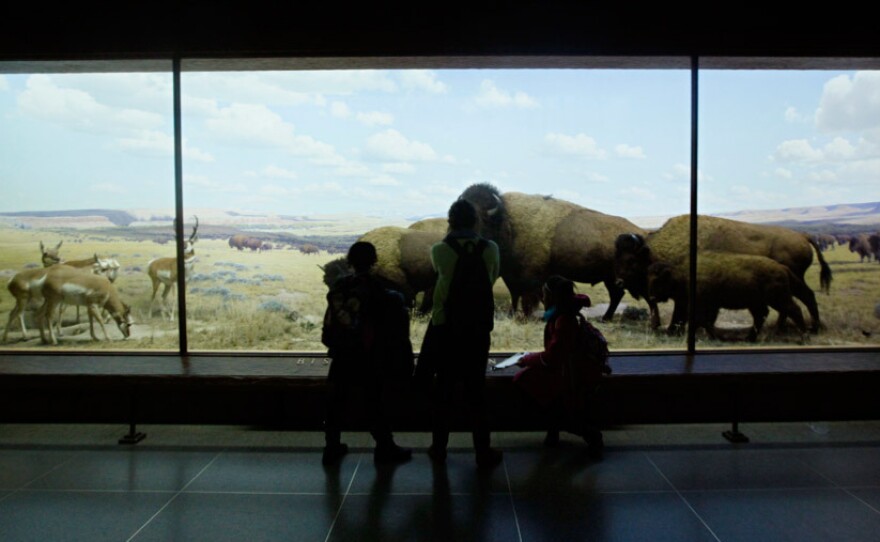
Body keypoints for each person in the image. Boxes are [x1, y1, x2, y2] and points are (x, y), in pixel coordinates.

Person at [422, 198, 503, 468]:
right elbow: (492, 277)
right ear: (476, 221)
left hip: (445, 328)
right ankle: (483, 450)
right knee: (476, 391)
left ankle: (438, 448)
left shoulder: (439, 250)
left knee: (443, 389)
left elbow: (440, 275)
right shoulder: (491, 248)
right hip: (478, 329)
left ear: (450, 221)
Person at [321, 241, 413, 466]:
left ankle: (331, 446)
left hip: (341, 352)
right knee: (373, 402)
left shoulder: (339, 285)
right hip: (367, 354)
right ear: (374, 261)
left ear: (349, 261)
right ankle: (385, 447)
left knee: (336, 400)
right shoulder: (379, 289)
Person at [513, 275, 609, 455]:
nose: (542, 298)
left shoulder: (563, 320)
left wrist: (526, 359)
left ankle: (589, 434)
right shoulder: (565, 314)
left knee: (525, 380)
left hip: (568, 375)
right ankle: (554, 430)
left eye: (544, 294)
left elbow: (553, 356)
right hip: (568, 370)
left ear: (553, 297)